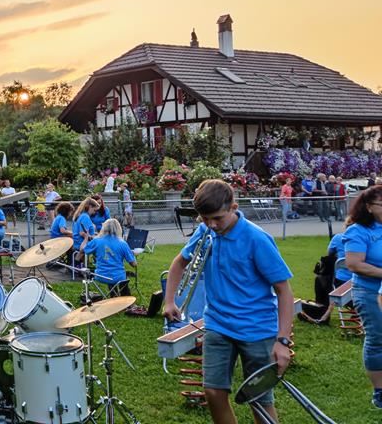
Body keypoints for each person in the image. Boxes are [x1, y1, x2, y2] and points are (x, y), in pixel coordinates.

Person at [164, 179, 294, 424]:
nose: (212, 225)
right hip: (217, 325)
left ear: (234, 207)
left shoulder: (257, 239)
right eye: (205, 219)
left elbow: (284, 290)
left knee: (260, 400)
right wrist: (170, 300)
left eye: (217, 218)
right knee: (213, 391)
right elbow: (179, 261)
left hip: (257, 330)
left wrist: (283, 341)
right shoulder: (206, 232)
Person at [341, 185, 382, 409]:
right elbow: (354, 264)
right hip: (369, 292)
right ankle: (380, 391)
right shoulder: (359, 230)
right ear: (368, 207)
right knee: (378, 339)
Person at [81, 219, 136, 296]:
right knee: (119, 276)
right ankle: (126, 301)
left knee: (111, 273)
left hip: (101, 275)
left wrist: (86, 238)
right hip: (118, 277)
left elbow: (82, 249)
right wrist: (132, 254)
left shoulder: (97, 241)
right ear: (118, 229)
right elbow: (134, 264)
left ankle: (113, 296)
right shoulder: (123, 243)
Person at [72, 198, 99, 262]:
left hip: (78, 242)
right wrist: (94, 237)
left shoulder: (81, 215)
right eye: (94, 210)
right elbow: (82, 233)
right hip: (81, 244)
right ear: (90, 207)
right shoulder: (85, 217)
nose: (94, 213)